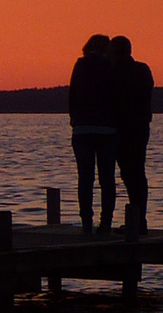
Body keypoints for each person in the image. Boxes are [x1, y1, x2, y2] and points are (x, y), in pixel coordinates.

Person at [66, 33, 118, 236]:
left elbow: (73, 95)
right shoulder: (110, 67)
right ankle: (105, 223)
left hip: (83, 129)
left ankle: (86, 223)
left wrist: (75, 120)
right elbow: (116, 96)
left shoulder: (80, 65)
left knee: (85, 179)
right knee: (107, 179)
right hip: (107, 129)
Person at [110, 35, 155, 239]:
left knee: (129, 174)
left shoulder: (114, 72)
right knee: (137, 174)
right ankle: (140, 220)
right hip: (140, 128)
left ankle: (137, 222)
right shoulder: (143, 69)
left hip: (122, 129)